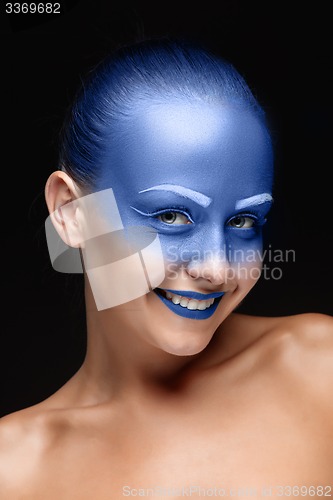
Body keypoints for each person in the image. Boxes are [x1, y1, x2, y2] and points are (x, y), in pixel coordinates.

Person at [1, 38, 332, 499]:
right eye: (171, 217)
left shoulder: (320, 368)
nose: (216, 267)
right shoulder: (14, 471)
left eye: (243, 222)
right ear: (72, 213)